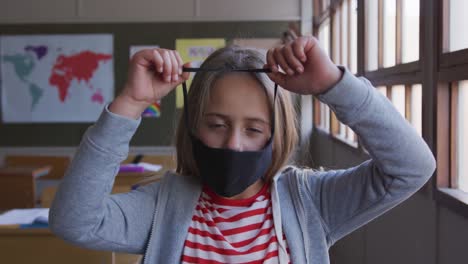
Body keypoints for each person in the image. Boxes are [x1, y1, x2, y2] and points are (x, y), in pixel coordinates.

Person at [49, 36, 436, 264]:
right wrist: (130, 103)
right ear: (193, 127)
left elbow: (412, 167)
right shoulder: (161, 207)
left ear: (276, 134)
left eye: (254, 129)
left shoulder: (311, 203)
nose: (233, 144)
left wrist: (334, 84)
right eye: (216, 125)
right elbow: (74, 220)